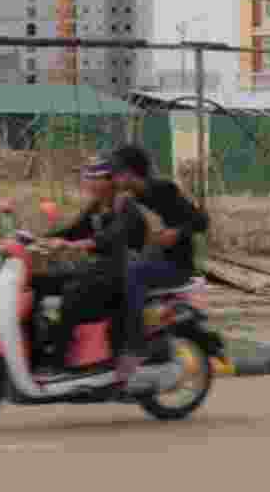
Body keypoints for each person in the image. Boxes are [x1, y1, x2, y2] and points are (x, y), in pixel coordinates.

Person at [33, 156, 152, 387]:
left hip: (123, 274)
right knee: (39, 283)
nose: (89, 183)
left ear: (111, 181)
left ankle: (60, 362)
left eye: (96, 178)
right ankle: (38, 350)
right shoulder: (98, 205)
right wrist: (39, 239)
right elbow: (74, 229)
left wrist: (71, 246)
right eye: (88, 177)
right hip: (101, 269)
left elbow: (110, 239)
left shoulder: (125, 206)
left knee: (71, 295)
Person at [109, 143, 209, 354]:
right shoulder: (128, 199)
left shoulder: (164, 190)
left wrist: (177, 232)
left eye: (117, 174)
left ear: (129, 173)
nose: (114, 181)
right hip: (150, 261)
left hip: (176, 266)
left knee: (135, 274)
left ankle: (135, 343)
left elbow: (201, 220)